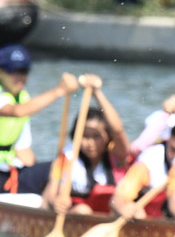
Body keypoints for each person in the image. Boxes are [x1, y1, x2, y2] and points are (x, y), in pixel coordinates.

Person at [0, 46, 82, 201]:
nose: (19, 77)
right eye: (12, 71)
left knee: (57, 166)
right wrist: (58, 91)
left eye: (23, 71)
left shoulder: (23, 98)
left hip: (8, 173)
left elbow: (23, 151)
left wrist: (41, 176)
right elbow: (17, 111)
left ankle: (53, 210)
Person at [51, 82, 133, 214]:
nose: (90, 143)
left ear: (108, 137)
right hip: (78, 214)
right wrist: (56, 202)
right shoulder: (67, 156)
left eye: (96, 136)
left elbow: (118, 130)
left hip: (110, 216)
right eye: (84, 136)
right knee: (83, 210)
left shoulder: (117, 156)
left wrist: (97, 93)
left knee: (134, 211)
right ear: (76, 135)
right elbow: (50, 193)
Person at [111, 117, 175, 219]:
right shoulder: (150, 159)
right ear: (169, 140)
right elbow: (119, 198)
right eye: (174, 150)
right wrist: (123, 208)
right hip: (152, 218)